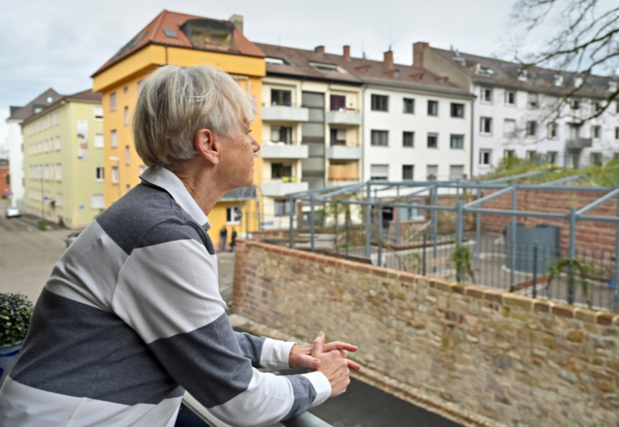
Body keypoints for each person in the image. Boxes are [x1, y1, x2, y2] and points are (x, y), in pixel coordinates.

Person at [0, 64, 360, 426]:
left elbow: (196, 334)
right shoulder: (161, 233)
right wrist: (322, 381)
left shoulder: (151, 214)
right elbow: (241, 402)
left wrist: (289, 353)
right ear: (209, 145)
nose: (255, 143)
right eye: (246, 131)